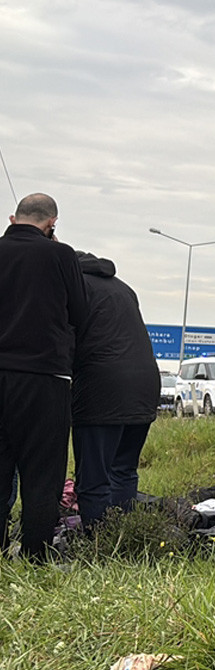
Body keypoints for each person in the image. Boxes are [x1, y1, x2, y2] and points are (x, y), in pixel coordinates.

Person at [0, 193, 89, 560]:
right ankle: (35, 555)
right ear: (52, 224)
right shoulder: (61, 255)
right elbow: (80, 313)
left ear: (12, 219)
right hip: (45, 377)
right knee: (42, 472)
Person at [70, 250, 160, 527]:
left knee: (93, 478)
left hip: (102, 387)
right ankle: (121, 536)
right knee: (123, 470)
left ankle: (96, 541)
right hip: (146, 385)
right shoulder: (124, 288)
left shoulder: (75, 286)